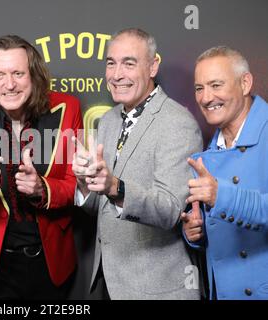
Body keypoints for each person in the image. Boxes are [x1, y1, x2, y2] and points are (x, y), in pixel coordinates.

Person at [0, 35, 82, 299]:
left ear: (34, 75)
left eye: (18, 73)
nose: (9, 85)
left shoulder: (68, 107)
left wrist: (42, 188)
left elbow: (75, 187)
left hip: (49, 263)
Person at [73, 28, 203, 299]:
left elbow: (170, 211)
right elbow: (103, 208)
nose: (117, 74)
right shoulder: (108, 120)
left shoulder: (177, 123)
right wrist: (85, 184)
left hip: (157, 289)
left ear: (153, 66)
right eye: (111, 63)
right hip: (109, 282)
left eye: (129, 63)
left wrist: (115, 187)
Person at [182, 46, 268, 300]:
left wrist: (221, 196)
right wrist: (195, 232)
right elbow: (221, 236)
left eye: (216, 85)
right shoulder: (208, 154)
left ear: (245, 83)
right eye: (199, 88)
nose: (206, 98)